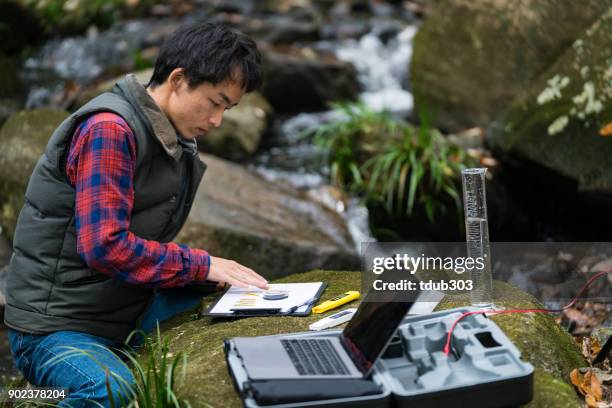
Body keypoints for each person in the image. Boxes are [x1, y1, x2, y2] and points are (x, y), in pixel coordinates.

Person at [4, 21, 269, 407]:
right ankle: (29, 397)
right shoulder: (109, 130)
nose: (217, 122)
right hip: (54, 329)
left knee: (248, 311)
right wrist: (200, 264)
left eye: (228, 109)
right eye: (215, 103)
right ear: (178, 79)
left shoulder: (171, 134)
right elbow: (105, 247)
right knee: (108, 390)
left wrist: (204, 277)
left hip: (123, 307)